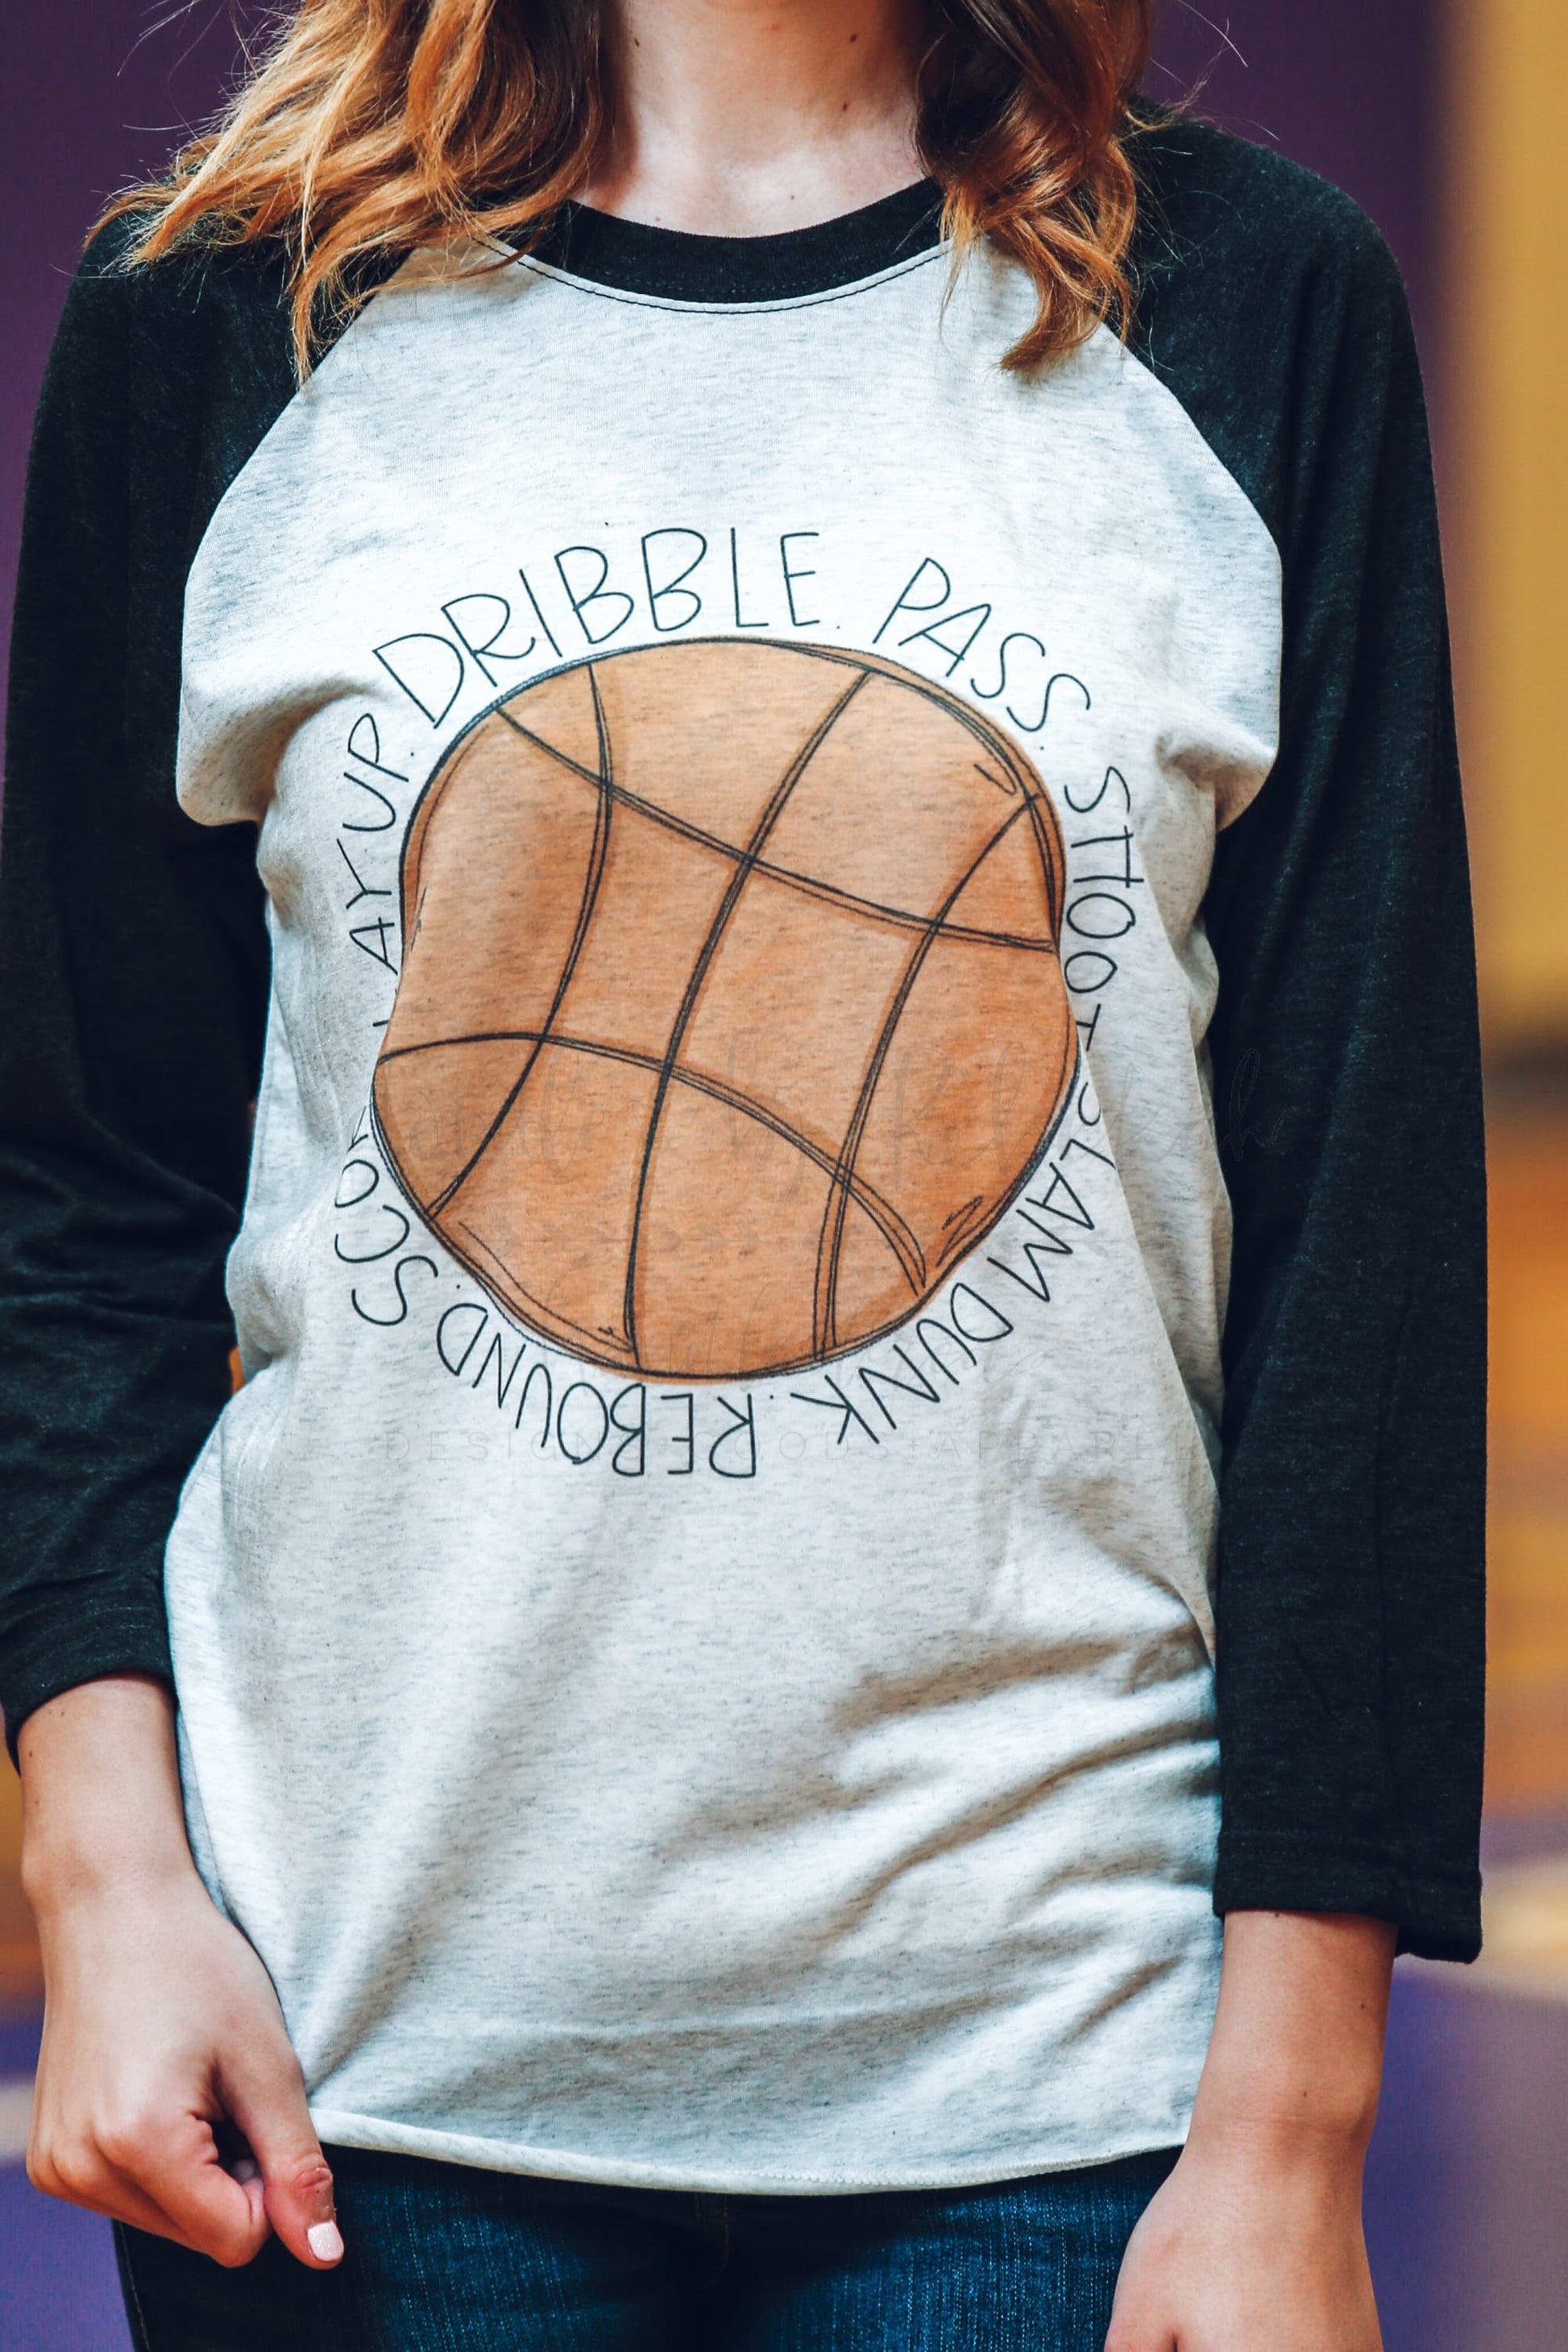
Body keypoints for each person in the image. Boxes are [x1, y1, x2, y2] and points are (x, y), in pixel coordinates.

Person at [0, 1, 1485, 2345]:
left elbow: (1360, 1269)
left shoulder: (1242, 305)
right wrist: (101, 1886)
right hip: (353, 2070)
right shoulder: (224, 308)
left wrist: (1292, 2125)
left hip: (1060, 2088)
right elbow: (74, 1203)